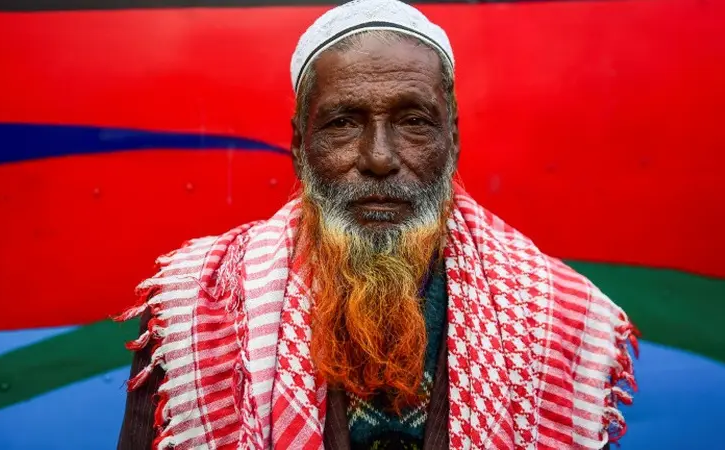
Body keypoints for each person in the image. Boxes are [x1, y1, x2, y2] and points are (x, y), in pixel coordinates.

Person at [116, 1, 638, 449]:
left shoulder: (558, 315)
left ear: (452, 141)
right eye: (344, 123)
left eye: (413, 121)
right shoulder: (201, 309)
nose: (379, 158)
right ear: (300, 146)